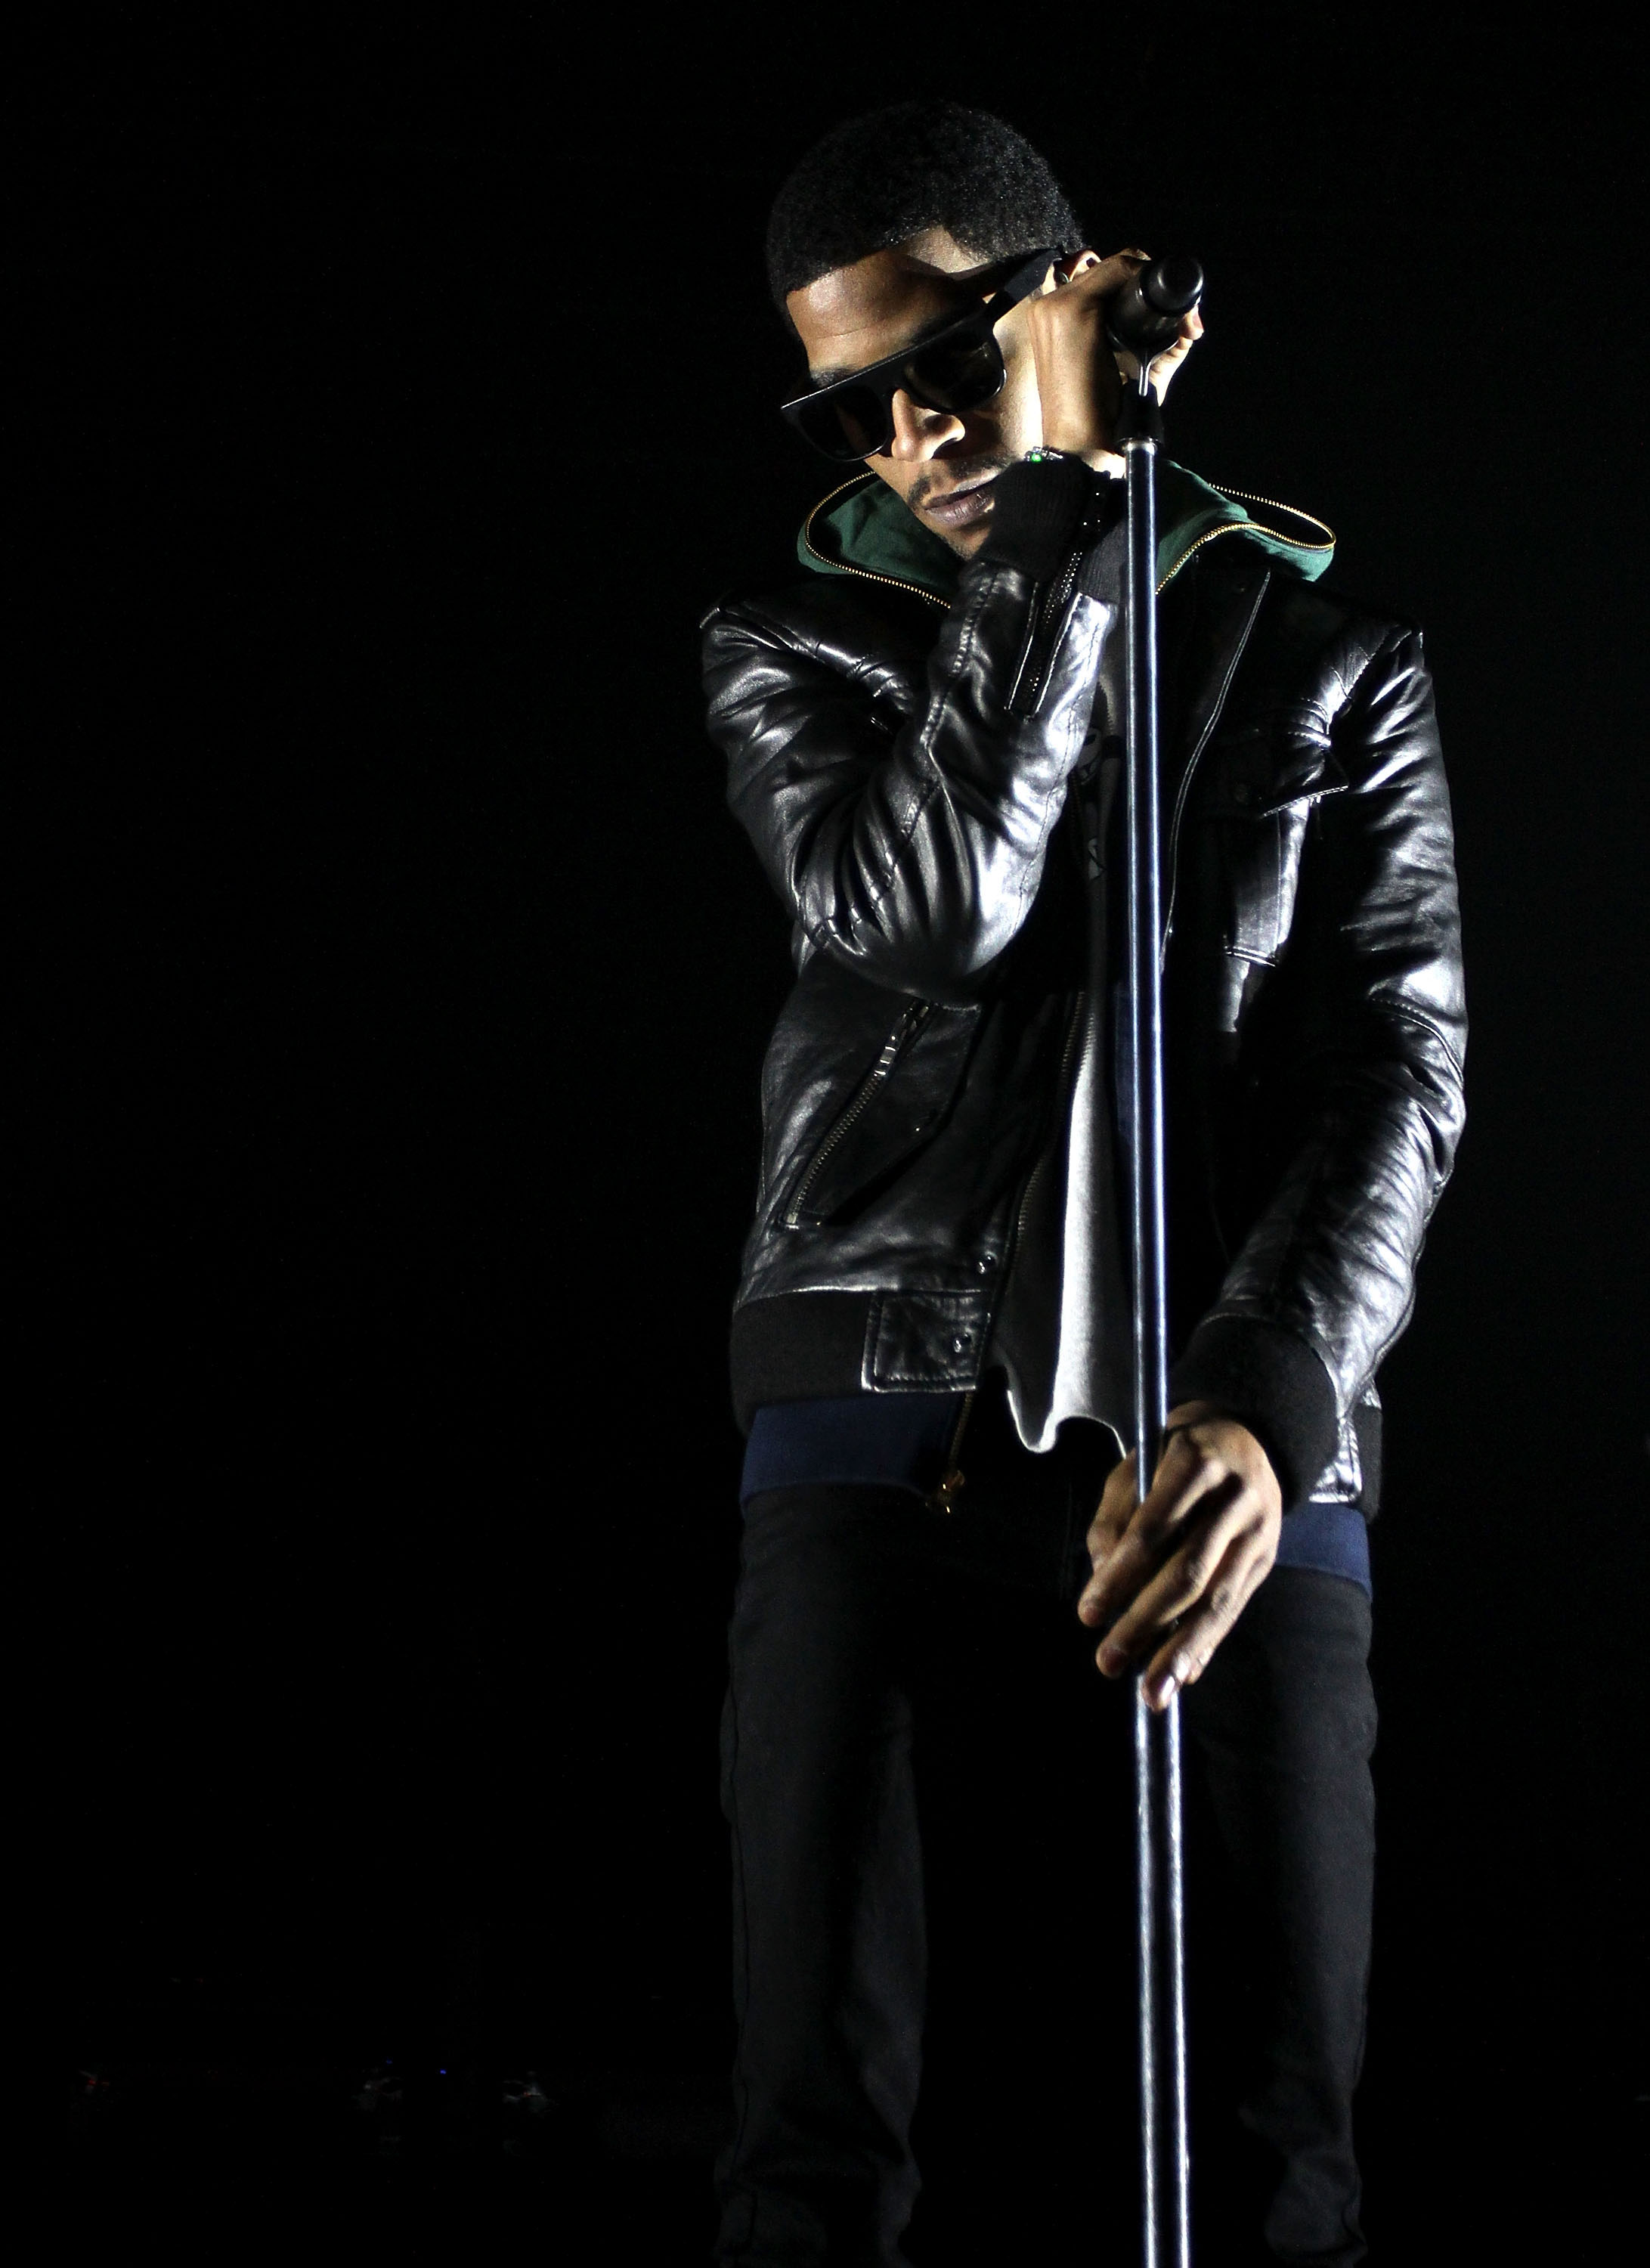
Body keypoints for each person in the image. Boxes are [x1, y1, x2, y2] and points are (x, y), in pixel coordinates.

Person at [700, 101, 1465, 2266]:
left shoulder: (1330, 661)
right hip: (884, 1414)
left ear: (1065, 306)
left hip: (1234, 1450)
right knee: (818, 2152)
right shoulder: (798, 646)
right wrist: (1055, 509)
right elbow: (933, 909)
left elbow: (1399, 1073)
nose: (912, 433)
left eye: (952, 358)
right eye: (852, 405)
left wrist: (1267, 1410)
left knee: (1275, 2160)